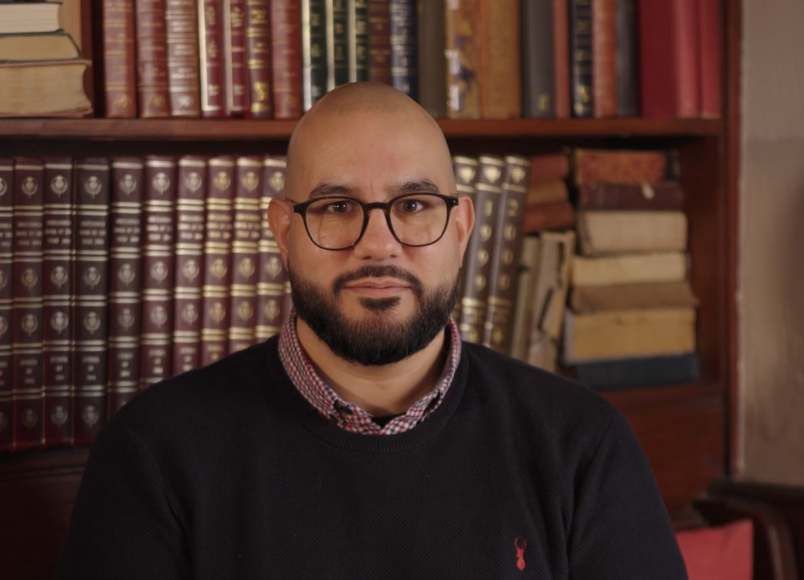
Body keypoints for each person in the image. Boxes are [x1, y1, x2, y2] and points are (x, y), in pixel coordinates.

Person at [57, 83, 688, 579]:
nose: (379, 245)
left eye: (413, 206)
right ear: (283, 231)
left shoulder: (582, 446)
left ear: (463, 228)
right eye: (337, 208)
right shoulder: (154, 455)